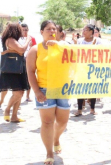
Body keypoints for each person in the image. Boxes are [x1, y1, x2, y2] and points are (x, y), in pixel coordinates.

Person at [27, 20, 71, 164]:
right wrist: (36, 91)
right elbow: (31, 72)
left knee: (63, 122)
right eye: (48, 29)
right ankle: (49, 153)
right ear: (41, 32)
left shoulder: (65, 47)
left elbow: (79, 59)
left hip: (63, 89)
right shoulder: (35, 50)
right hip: (44, 90)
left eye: (54, 29)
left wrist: (59, 46)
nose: (52, 31)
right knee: (47, 122)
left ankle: (56, 138)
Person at [0, 23, 31, 122]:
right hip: (12, 70)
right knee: (18, 93)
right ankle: (7, 109)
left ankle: (14, 116)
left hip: (17, 69)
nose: (21, 32)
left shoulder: (11, 40)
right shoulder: (10, 40)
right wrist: (28, 40)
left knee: (20, 93)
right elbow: (22, 50)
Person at [74, 24, 102, 116]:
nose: (83, 31)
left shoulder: (98, 41)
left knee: (92, 89)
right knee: (80, 89)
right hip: (81, 68)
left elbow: (101, 53)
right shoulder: (80, 41)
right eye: (83, 30)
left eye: (86, 30)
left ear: (91, 32)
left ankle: (92, 109)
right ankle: (79, 109)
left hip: (93, 68)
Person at [20, 23, 36, 102]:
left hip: (28, 61)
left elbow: (35, 49)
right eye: (23, 30)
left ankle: (28, 96)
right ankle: (18, 99)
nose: (24, 31)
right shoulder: (17, 39)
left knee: (29, 78)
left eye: (26, 30)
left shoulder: (32, 38)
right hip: (19, 61)